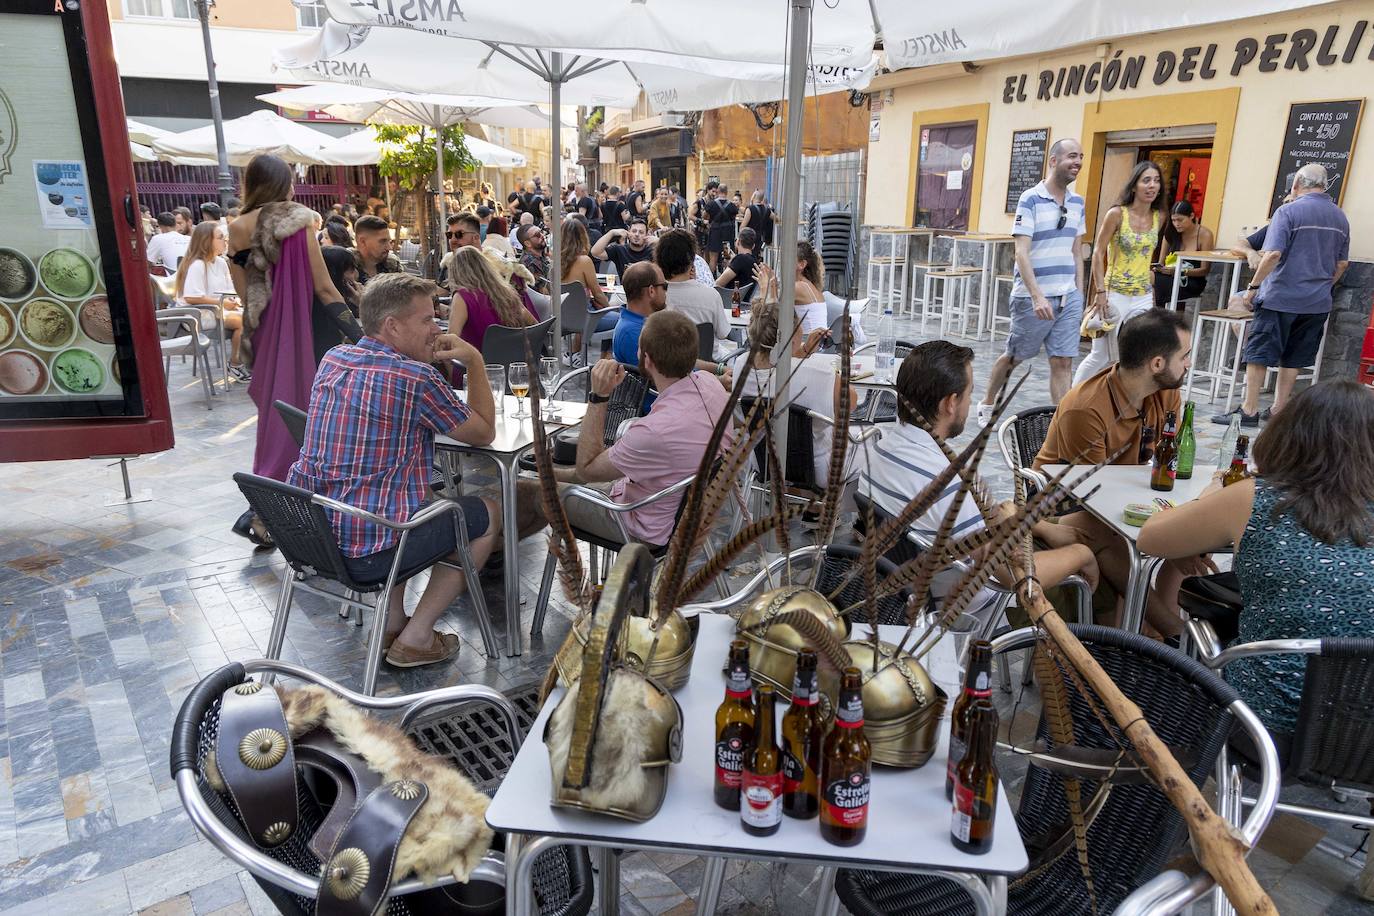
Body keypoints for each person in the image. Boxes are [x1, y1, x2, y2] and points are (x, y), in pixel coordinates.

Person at [1139, 380, 1374, 738]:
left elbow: (1151, 537)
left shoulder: (1257, 499)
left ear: (1290, 435)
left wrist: (1209, 497)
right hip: (1362, 739)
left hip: (1264, 721)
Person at [287, 274, 500, 668]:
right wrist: (474, 360)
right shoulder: (416, 378)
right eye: (426, 319)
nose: (436, 327)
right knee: (487, 513)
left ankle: (392, 621)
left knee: (411, 497)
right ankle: (417, 638)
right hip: (365, 553)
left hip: (310, 536)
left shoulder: (334, 358)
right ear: (392, 326)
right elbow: (483, 432)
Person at [860, 341, 1099, 620]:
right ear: (950, 403)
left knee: (1091, 543)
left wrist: (1040, 527)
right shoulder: (947, 486)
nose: (970, 402)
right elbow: (1013, 576)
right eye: (969, 394)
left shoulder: (878, 450)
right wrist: (1081, 555)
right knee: (1094, 578)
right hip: (978, 612)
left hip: (910, 593)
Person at [1034, 309, 1202, 637]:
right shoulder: (1087, 408)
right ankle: (1171, 634)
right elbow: (1097, 500)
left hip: (1124, 495)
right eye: (1185, 356)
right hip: (1064, 506)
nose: (1189, 364)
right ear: (1157, 364)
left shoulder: (1167, 392)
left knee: (1192, 536)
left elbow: (1167, 464)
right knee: (1115, 540)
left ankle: (1159, 636)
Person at [226, 154, 353, 548]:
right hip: (302, 332)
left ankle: (269, 506)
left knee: (274, 417)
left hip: (264, 333)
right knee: (303, 418)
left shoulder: (236, 227)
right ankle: (286, 510)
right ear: (284, 183)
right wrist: (358, 329)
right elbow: (324, 287)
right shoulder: (299, 221)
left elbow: (245, 293)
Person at [563, 311, 736, 548]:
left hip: (640, 525)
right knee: (553, 477)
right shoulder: (710, 384)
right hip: (689, 516)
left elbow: (586, 469)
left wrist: (599, 396)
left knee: (535, 494)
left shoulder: (654, 432)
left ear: (646, 360)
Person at [1212, 164, 1350, 428]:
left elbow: (1273, 254)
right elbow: (1342, 264)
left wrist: (1253, 287)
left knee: (1259, 351)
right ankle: (1279, 409)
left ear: (1297, 184)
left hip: (1280, 298)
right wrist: (1323, 285)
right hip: (1317, 302)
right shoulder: (1340, 218)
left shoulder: (1287, 211)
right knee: (1295, 356)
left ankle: (1249, 410)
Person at [976, 139, 1087, 424]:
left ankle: (1063, 424)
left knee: (1062, 362)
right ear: (1053, 161)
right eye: (1072, 156)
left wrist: (1079, 294)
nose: (1078, 162)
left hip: (1068, 295)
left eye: (1081, 157)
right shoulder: (1031, 198)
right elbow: (1021, 252)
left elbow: (1077, 252)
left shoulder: (1077, 203)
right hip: (1033, 297)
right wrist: (1037, 296)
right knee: (1015, 356)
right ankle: (988, 401)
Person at [734, 299, 856, 488]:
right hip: (814, 470)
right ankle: (823, 512)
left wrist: (803, 350)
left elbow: (777, 367)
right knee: (865, 443)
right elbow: (851, 402)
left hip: (762, 461)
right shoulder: (817, 374)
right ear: (790, 332)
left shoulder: (741, 364)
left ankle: (802, 504)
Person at [1073, 160, 1165, 384]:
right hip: (1115, 294)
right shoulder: (1117, 214)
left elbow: (1148, 257)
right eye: (1146, 180)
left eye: (1156, 180)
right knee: (1100, 355)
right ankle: (1069, 401)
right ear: (1134, 186)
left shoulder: (1159, 217)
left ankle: (1118, 401)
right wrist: (1100, 292)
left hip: (1142, 296)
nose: (1152, 185)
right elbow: (1097, 253)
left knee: (1136, 354)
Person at [175, 222, 247, 377]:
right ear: (207, 241)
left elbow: (229, 291)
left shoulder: (221, 262)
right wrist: (223, 303)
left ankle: (246, 362)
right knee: (244, 321)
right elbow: (192, 297)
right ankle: (235, 363)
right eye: (221, 237)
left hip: (216, 310)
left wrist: (233, 301)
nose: (225, 241)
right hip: (197, 315)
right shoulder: (197, 265)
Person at [656, 228, 730, 363]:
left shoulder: (655, 296)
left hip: (667, 368)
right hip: (708, 368)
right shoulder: (711, 296)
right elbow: (723, 333)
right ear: (691, 260)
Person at [446, 246, 538, 352]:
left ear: (455, 272)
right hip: (512, 361)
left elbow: (450, 343)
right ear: (485, 266)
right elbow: (534, 325)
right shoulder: (504, 291)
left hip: (476, 365)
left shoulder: (462, 297)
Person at [562, 218, 617, 361]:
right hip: (586, 319)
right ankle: (606, 359)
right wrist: (609, 308)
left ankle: (574, 353)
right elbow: (598, 293)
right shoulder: (584, 261)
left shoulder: (555, 262)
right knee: (622, 318)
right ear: (583, 236)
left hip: (562, 318)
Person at [753, 241, 827, 334]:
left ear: (802, 264)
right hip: (814, 344)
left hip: (806, 345)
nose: (781, 262)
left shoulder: (797, 287)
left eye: (788, 258)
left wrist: (765, 287)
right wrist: (773, 286)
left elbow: (772, 316)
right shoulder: (809, 286)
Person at [1152, 200, 1214, 310]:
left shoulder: (1205, 235)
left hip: (1191, 281)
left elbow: (1205, 270)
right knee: (1148, 277)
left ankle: (1157, 316)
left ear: (1191, 216)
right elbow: (1161, 263)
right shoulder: (1170, 233)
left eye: (1180, 220)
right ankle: (1153, 314)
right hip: (1170, 276)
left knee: (1154, 282)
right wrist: (1160, 269)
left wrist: (1178, 271)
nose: (1176, 224)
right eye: (1173, 220)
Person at [315, 246, 364, 364]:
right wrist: (362, 304)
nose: (356, 274)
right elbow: (363, 341)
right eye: (351, 269)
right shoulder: (332, 308)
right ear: (336, 273)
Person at [591, 218, 656, 278]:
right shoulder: (620, 249)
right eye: (634, 231)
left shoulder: (653, 252)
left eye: (641, 232)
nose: (637, 234)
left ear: (647, 235)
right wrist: (611, 233)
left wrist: (659, 242)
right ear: (628, 232)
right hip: (625, 289)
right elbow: (595, 252)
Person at [352, 214, 401, 283]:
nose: (389, 247)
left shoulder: (392, 265)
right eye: (382, 241)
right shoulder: (346, 267)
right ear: (362, 241)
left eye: (389, 241)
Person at [705, 181, 739, 273]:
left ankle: (711, 283)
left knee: (713, 260)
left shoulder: (711, 204)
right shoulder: (732, 206)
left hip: (715, 233)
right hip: (727, 234)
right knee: (728, 259)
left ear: (718, 191)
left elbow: (705, 216)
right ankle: (727, 282)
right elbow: (734, 218)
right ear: (727, 192)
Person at [715, 226, 759, 296]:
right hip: (745, 301)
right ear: (753, 246)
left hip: (731, 301)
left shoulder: (739, 259)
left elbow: (718, 284)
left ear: (737, 242)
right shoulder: (755, 261)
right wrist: (731, 263)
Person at [517, 223, 550, 294]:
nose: (542, 236)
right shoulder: (530, 262)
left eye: (541, 232)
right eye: (537, 235)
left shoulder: (539, 256)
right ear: (527, 243)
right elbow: (543, 292)